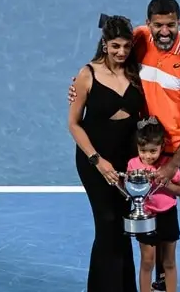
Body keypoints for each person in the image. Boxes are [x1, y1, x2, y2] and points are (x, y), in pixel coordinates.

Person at [68, 0, 180, 292]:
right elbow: (111, 43)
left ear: (179, 23)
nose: (164, 31)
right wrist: (81, 81)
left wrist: (172, 163)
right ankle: (159, 279)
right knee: (145, 213)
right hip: (147, 147)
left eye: (170, 25)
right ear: (147, 24)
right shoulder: (138, 38)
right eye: (158, 25)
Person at [67, 15, 145, 292]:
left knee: (123, 226)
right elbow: (74, 124)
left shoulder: (136, 72)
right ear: (104, 44)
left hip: (127, 161)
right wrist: (97, 160)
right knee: (107, 223)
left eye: (126, 46)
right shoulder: (87, 74)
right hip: (95, 160)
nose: (121, 52)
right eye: (115, 46)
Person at [128, 116, 180, 292]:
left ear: (162, 146)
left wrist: (166, 182)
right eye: (143, 151)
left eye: (153, 151)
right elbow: (129, 189)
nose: (147, 156)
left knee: (169, 261)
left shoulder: (168, 165)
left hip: (168, 214)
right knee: (147, 260)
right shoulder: (133, 165)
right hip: (145, 216)